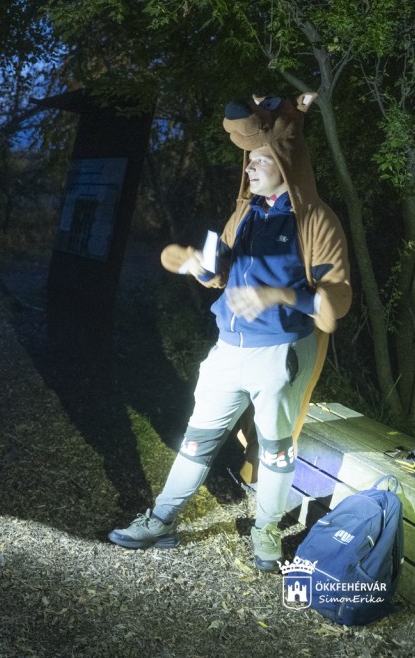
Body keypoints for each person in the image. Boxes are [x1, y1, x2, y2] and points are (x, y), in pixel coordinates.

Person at [107, 93, 352, 572]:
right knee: (196, 439)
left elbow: (336, 299)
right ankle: (161, 520)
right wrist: (193, 264)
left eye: (261, 159)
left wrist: (279, 295)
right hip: (227, 350)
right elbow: (218, 272)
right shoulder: (245, 213)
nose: (250, 168)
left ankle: (266, 533)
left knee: (276, 449)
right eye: (249, 160)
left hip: (280, 352)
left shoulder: (315, 220)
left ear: (286, 163)